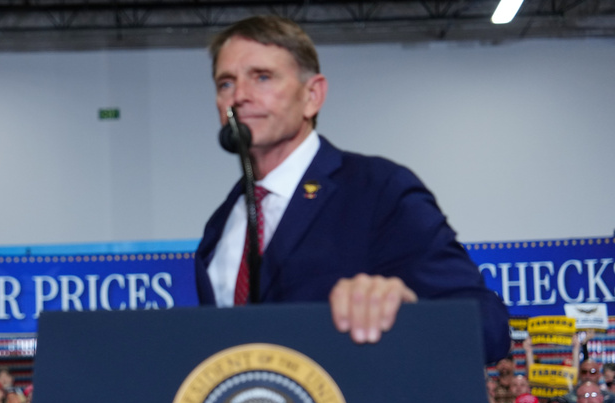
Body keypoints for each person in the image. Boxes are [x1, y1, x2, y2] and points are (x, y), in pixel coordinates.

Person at [194, 16, 510, 363]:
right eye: (226, 83)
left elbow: (486, 325)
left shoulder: (378, 190)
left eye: (262, 77)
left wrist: (408, 311)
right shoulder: (221, 224)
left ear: (312, 96)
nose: (239, 96)